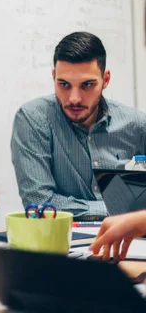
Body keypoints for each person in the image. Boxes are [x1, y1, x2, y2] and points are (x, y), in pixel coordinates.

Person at [11, 32, 146, 220]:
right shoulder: (32, 119)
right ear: (53, 77)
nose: (74, 98)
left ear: (105, 80)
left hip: (128, 242)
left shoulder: (136, 124)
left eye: (87, 85)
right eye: (64, 84)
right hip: (61, 243)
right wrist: (118, 210)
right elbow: (40, 203)